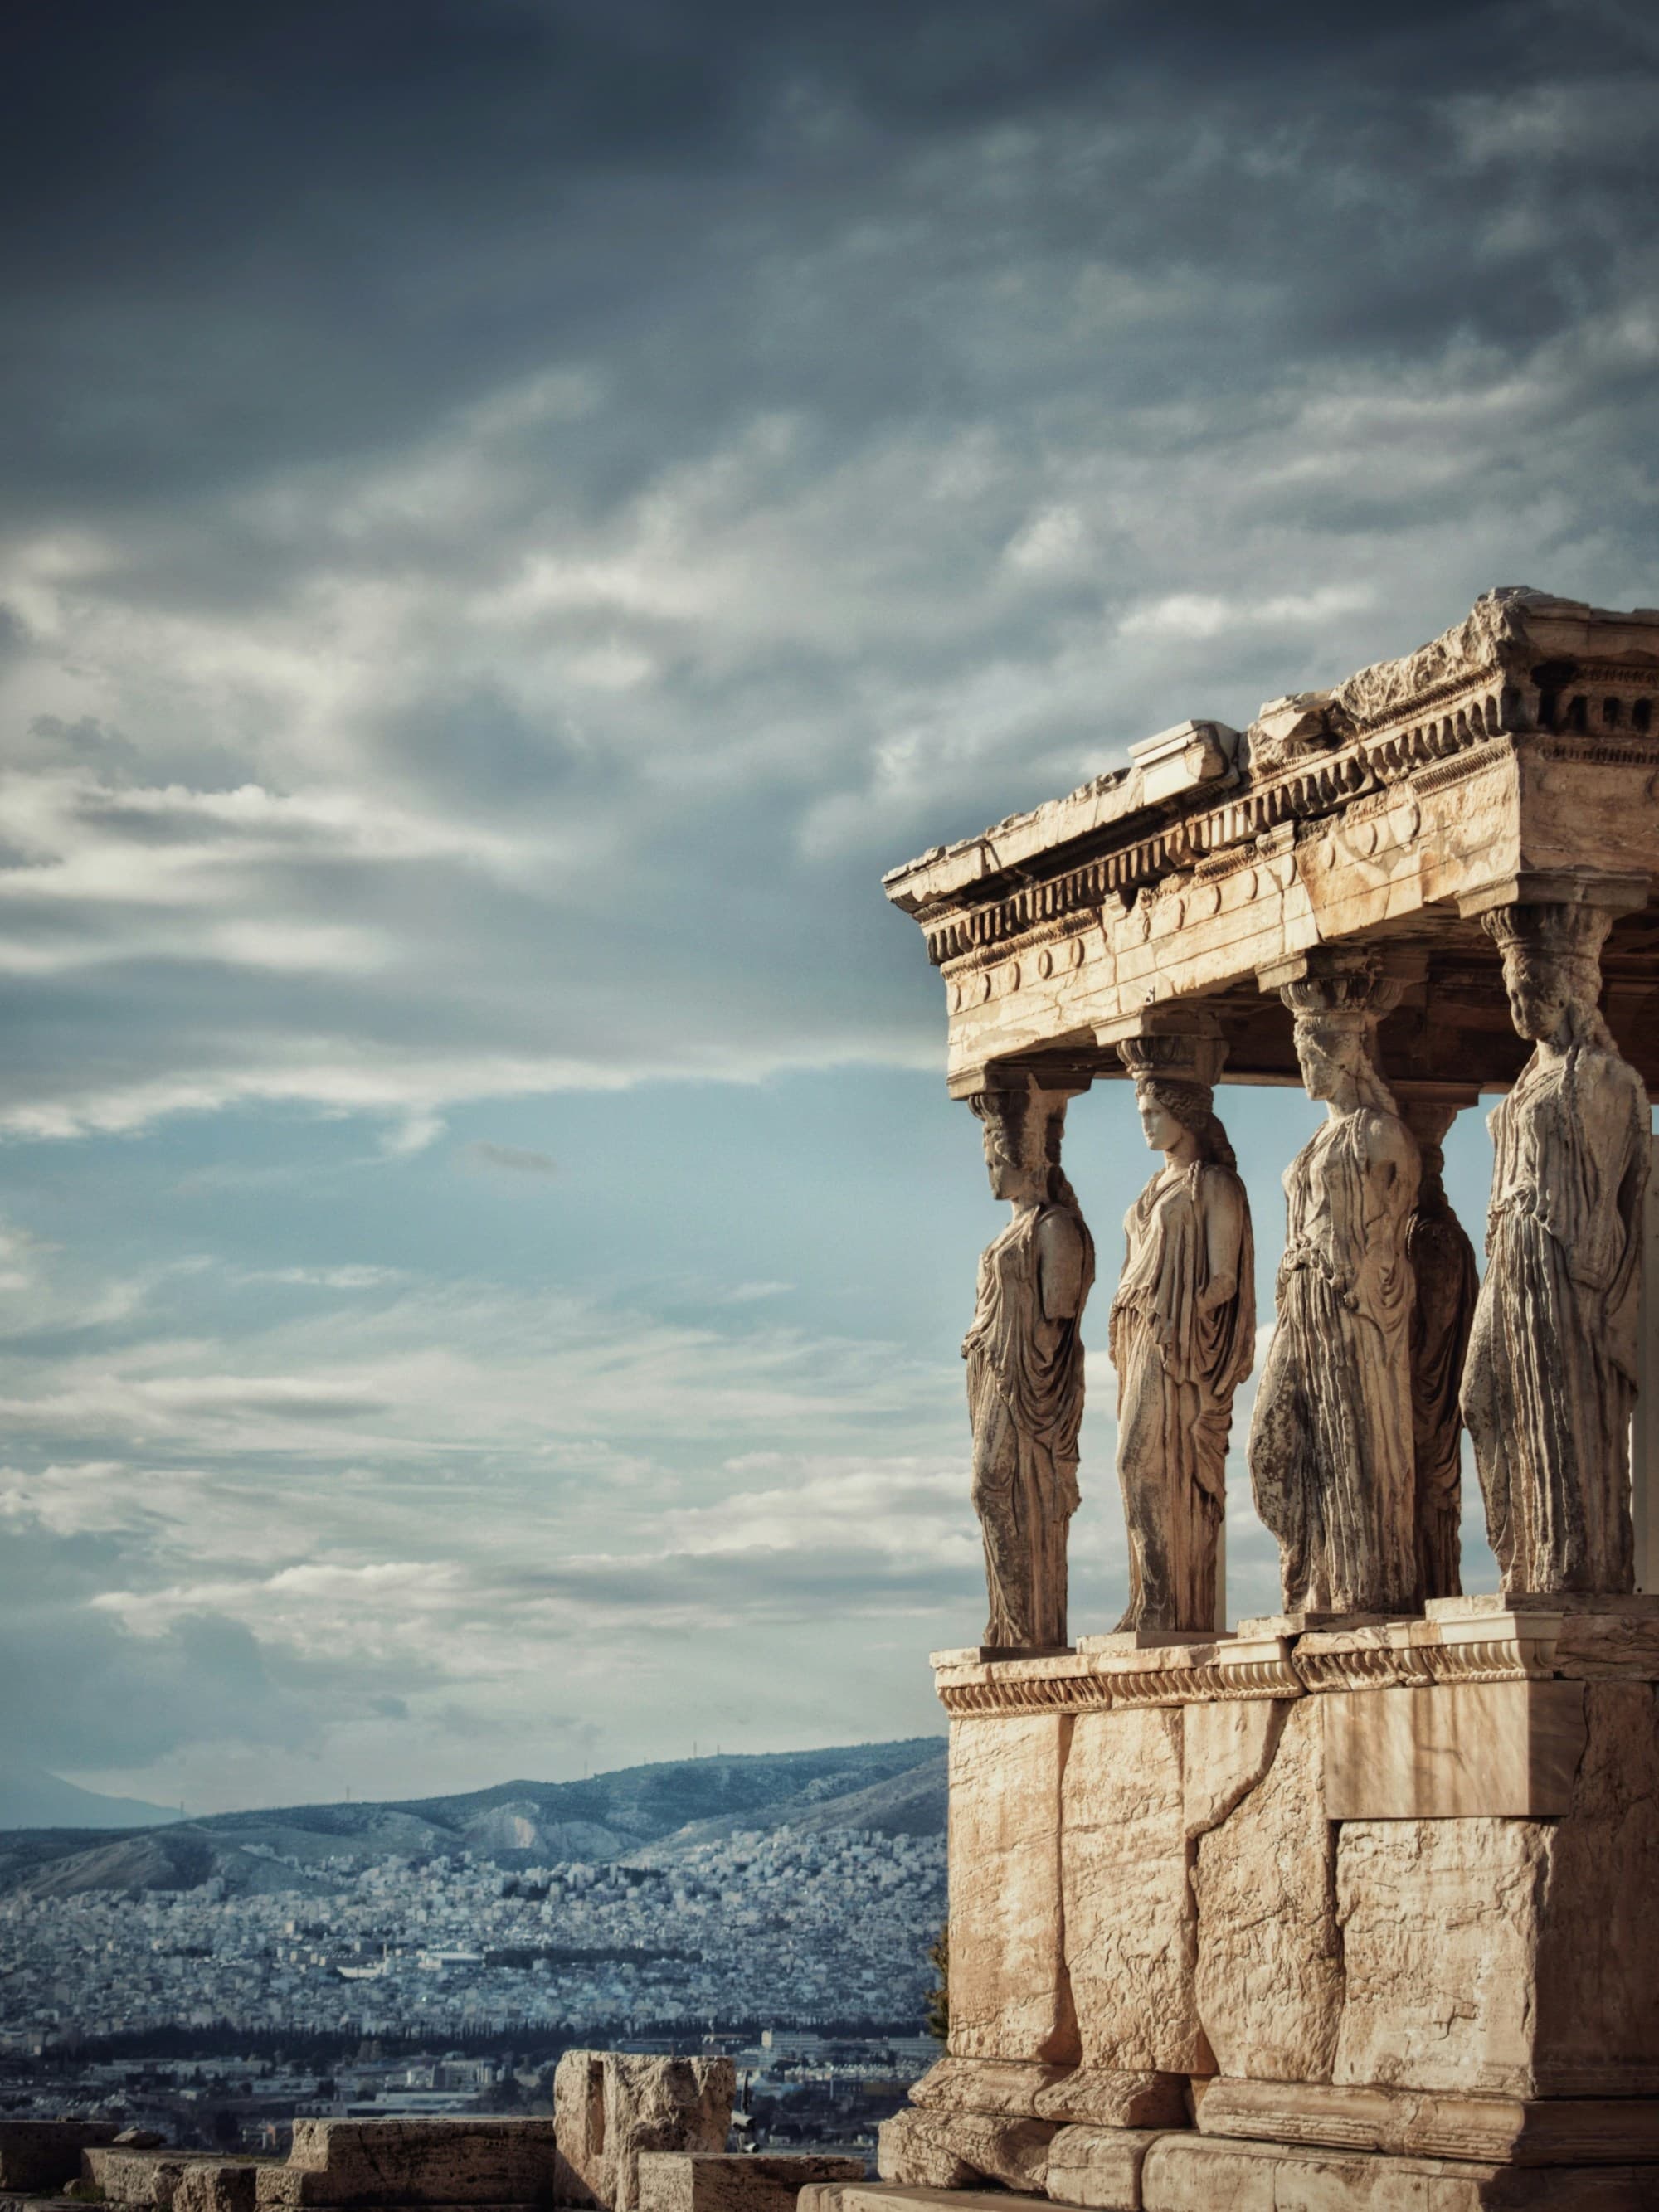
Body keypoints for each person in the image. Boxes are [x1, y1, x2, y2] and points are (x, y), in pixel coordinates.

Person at [1462, 904, 1650, 1593]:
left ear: (1569, 987)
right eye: (1511, 989)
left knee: (1564, 1409)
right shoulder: (1525, 1082)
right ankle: (1525, 1553)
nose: (1516, 1003)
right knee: (1480, 1395)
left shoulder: (1602, 1079)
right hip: (1511, 1258)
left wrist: (1592, 1261)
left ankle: (1572, 1566)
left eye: (1528, 988)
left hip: (1562, 1262)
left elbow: (1613, 1195)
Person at [1249, 994, 1419, 1616]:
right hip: (1302, 1303)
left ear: (1344, 1056)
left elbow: (1396, 1224)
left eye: (1312, 1054)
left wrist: (1369, 1277)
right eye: (1300, 1054)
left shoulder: (1381, 1134)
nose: (1305, 1068)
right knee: (1270, 1442)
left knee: (1352, 1441)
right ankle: (1310, 1567)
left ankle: (1356, 1583)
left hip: (1350, 1306)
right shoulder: (1320, 1138)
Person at [1109, 1072, 1253, 1632]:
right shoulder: (1151, 1188)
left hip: (1177, 1342)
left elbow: (1225, 1277)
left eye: (1153, 1111)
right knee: (1135, 1465)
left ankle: (1170, 1601)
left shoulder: (1214, 1184)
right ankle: (1149, 1598)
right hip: (1137, 1332)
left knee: (1140, 1461)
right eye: (1142, 1111)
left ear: (1184, 1115)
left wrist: (1187, 1314)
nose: (1144, 1122)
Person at [962, 1078, 1094, 1648]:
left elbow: (1059, 1314)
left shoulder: (1054, 1227)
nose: (989, 1168)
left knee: (999, 1486)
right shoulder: (1013, 1230)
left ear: (1022, 1157)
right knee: (991, 1490)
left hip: (1027, 1384)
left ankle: (1032, 1625)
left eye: (996, 1156)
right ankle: (1011, 1622)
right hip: (994, 1373)